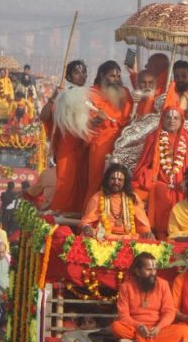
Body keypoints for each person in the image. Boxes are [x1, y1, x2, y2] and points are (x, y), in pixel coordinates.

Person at [132, 107, 188, 238]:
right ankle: (159, 235)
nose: (172, 121)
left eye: (176, 118)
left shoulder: (187, 138)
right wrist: (152, 177)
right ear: (163, 119)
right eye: (168, 117)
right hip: (161, 183)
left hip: (185, 183)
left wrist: (187, 180)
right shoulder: (153, 137)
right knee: (161, 191)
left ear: (181, 120)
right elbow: (143, 165)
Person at [111, 253, 188, 342]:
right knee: (116, 327)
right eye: (148, 269)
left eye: (154, 269)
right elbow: (123, 316)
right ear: (137, 271)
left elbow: (169, 312)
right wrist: (139, 326)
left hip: (158, 329)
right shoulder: (126, 287)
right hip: (135, 328)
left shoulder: (163, 285)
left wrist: (159, 327)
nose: (153, 273)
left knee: (184, 331)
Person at [83, 60, 133, 206]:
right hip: (101, 143)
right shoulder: (92, 94)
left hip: (123, 143)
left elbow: (130, 115)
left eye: (118, 76)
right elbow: (84, 124)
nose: (116, 79)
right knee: (97, 181)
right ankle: (90, 216)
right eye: (112, 76)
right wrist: (97, 120)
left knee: (120, 181)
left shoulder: (125, 93)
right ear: (102, 75)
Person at [44, 60, 90, 214]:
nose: (81, 75)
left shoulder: (89, 95)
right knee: (65, 181)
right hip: (67, 147)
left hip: (84, 147)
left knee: (81, 183)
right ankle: (59, 211)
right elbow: (44, 116)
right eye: (76, 72)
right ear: (69, 76)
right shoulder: (63, 95)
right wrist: (54, 96)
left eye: (83, 72)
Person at [80, 163, 153, 240]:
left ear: (125, 182)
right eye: (113, 179)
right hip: (103, 236)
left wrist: (146, 232)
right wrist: (86, 227)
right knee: (87, 236)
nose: (116, 182)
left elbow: (141, 222)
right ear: (107, 180)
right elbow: (87, 220)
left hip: (128, 237)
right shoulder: (98, 197)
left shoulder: (132, 197)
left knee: (148, 238)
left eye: (120, 180)